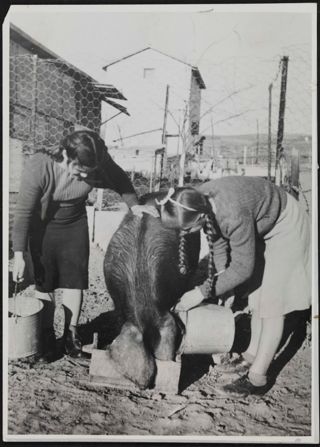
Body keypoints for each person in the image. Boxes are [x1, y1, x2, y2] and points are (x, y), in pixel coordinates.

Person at [156, 176, 311, 395]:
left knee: (273, 303)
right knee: (256, 293)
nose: (184, 235)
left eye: (186, 230)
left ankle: (258, 379)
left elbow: (242, 268)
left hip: (285, 226)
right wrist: (224, 283)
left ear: (199, 217)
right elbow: (218, 243)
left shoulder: (232, 212)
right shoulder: (197, 200)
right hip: (260, 225)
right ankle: (250, 356)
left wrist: (202, 292)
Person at [12, 130, 158, 362]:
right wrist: (18, 253)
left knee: (73, 280)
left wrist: (134, 206)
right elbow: (23, 213)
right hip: (42, 225)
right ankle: (48, 338)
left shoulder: (97, 160)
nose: (83, 177)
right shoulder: (39, 165)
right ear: (66, 157)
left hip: (73, 222)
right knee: (45, 281)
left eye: (89, 173)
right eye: (80, 170)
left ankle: (70, 337)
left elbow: (119, 178)